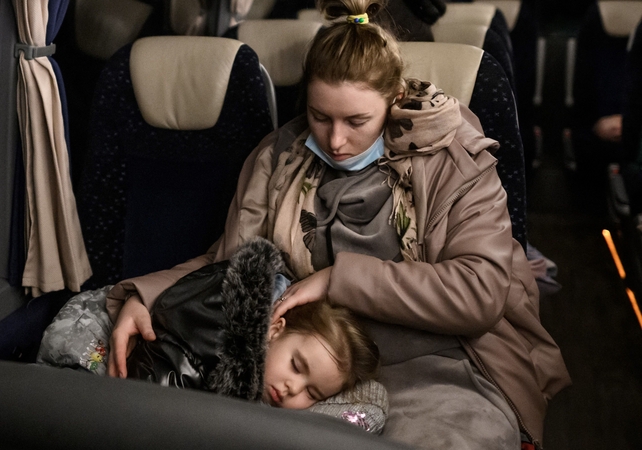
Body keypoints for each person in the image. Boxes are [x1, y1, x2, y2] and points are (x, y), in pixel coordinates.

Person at [106, 0, 570, 449]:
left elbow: (479, 292)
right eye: (320, 117)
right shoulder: (279, 157)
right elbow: (231, 263)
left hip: (441, 365)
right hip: (307, 372)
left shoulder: (455, 159)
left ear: (395, 99)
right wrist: (148, 297)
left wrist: (337, 280)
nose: (335, 140)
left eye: (356, 120)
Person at [38, 238, 384, 418]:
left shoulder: (268, 402)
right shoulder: (222, 318)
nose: (293, 388)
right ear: (275, 329)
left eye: (313, 394)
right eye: (296, 365)